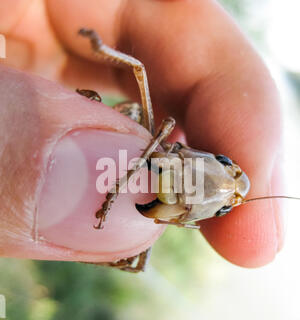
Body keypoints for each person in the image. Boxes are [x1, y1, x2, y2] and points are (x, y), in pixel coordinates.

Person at [0, 0, 284, 267]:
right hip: (145, 132)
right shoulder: (175, 139)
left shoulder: (199, 201)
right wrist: (98, 47)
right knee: (140, 75)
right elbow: (140, 75)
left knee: (136, 263)